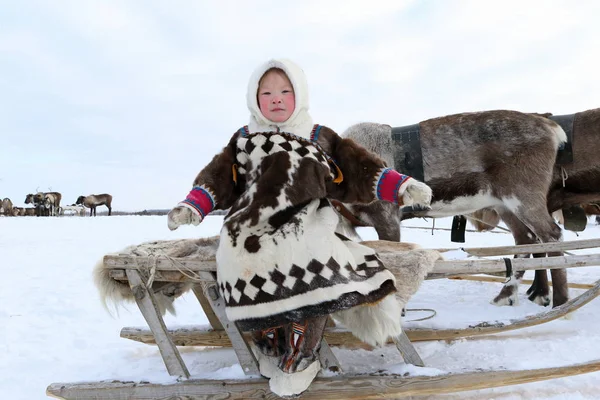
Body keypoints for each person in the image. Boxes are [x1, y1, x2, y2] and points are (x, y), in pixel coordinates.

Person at [167, 58, 432, 378]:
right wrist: (193, 205)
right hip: (250, 224)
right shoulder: (243, 140)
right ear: (254, 99)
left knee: (312, 256)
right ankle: (267, 341)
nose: (276, 98)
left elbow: (359, 166)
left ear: (300, 94)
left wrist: (402, 186)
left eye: (285, 90)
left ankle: (303, 351)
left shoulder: (319, 137)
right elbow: (219, 177)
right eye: (266, 93)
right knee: (237, 256)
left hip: (307, 219)